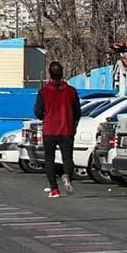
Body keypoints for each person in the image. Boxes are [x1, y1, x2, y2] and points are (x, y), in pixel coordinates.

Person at [35, 61, 82, 198]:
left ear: (50, 74)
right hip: (66, 129)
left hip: (49, 129)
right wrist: (73, 125)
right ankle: (67, 176)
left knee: (49, 159)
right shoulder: (71, 91)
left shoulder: (44, 91)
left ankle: (54, 189)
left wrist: (45, 115)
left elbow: (38, 112)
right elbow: (77, 112)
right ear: (62, 74)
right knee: (67, 158)